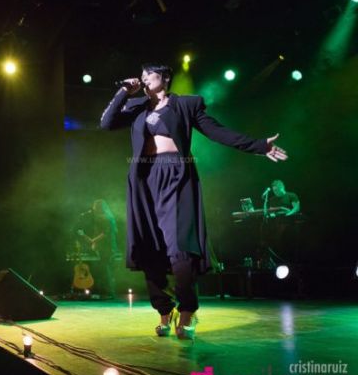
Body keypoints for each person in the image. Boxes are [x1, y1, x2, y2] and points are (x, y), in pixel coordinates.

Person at [100, 63, 288, 340]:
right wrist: (123, 93)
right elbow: (106, 123)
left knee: (180, 247)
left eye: (149, 75)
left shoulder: (185, 105)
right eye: (142, 76)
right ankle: (164, 311)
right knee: (149, 249)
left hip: (176, 175)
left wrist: (259, 146)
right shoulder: (137, 106)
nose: (144, 80)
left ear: (165, 78)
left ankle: (187, 310)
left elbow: (217, 132)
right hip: (143, 179)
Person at [77, 200, 119, 298]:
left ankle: (109, 292)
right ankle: (108, 292)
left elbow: (104, 234)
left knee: (105, 269)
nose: (93, 209)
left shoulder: (104, 218)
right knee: (105, 269)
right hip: (108, 246)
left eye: (95, 207)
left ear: (99, 208)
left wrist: (93, 241)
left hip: (106, 247)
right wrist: (93, 242)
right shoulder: (107, 218)